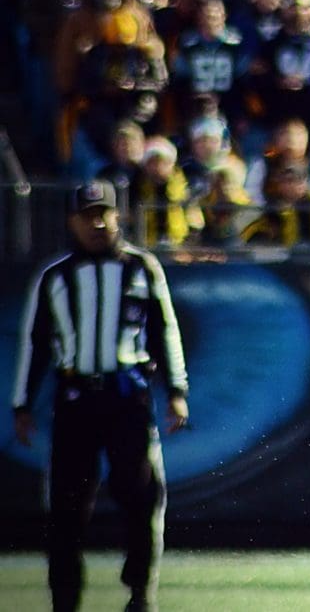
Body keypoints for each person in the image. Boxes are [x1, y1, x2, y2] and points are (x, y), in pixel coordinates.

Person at [11, 179, 190, 612]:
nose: (98, 223)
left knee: (142, 497)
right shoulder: (55, 276)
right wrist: (22, 404)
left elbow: (166, 330)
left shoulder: (143, 268)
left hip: (128, 398)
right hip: (76, 401)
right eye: (88, 216)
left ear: (119, 215)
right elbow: (35, 342)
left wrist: (177, 390)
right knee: (66, 508)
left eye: (104, 214)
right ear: (72, 221)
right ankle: (65, 599)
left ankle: (141, 591)